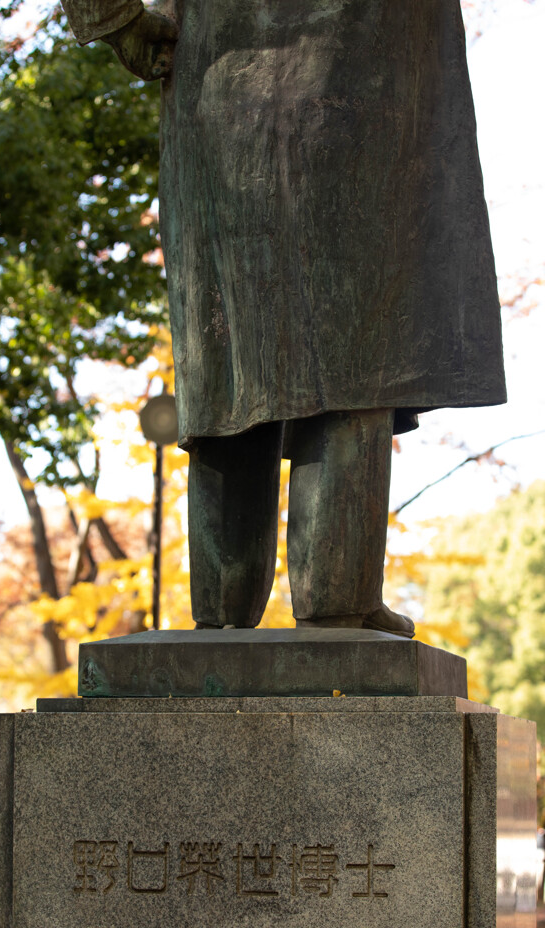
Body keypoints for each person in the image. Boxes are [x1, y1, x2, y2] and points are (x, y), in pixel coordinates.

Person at [62, 1, 506, 635]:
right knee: (351, 336)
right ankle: (336, 598)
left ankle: (227, 608)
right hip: (360, 72)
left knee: (238, 346)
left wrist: (114, 19)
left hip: (247, 73)